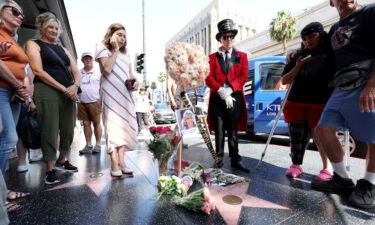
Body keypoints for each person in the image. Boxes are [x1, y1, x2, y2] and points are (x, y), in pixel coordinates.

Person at [311, 0, 375, 209]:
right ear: (331, 2)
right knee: (323, 130)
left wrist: (372, 85)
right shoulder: (334, 29)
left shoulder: (369, 11)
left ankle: (369, 185)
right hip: (341, 86)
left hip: (367, 81)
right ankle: (342, 179)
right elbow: (322, 54)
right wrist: (294, 54)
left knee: (373, 138)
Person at [25, 12, 79, 184]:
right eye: (50, 27)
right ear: (41, 27)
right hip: (46, 90)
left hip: (68, 93)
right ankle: (49, 169)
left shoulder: (62, 49)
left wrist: (75, 86)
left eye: (56, 28)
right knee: (50, 129)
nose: (54, 31)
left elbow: (75, 71)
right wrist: (65, 88)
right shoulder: (33, 44)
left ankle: (62, 160)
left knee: (69, 129)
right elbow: (38, 70)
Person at [281, 22, 334, 181]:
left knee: (320, 135)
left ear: (321, 35)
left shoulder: (330, 53)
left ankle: (327, 167)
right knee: (297, 135)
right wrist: (297, 66)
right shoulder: (298, 55)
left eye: (312, 36)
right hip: (296, 100)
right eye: (304, 38)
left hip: (319, 101)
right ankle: (296, 164)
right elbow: (284, 80)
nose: (308, 41)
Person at [205, 19, 249, 173]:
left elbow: (243, 76)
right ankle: (218, 160)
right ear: (220, 39)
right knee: (219, 129)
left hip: (234, 98)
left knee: (233, 129)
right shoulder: (211, 58)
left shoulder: (241, 56)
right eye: (225, 37)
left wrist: (230, 89)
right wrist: (221, 90)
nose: (229, 40)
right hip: (218, 98)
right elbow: (208, 77)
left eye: (231, 36)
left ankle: (236, 160)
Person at [0, 0, 31, 213]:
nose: (20, 15)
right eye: (15, 10)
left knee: (7, 139)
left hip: (13, 94)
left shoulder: (14, 38)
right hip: (3, 90)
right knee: (9, 138)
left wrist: (25, 88)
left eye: (22, 13)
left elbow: (24, 68)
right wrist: (18, 84)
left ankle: (2, 190)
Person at [95, 23, 138, 177]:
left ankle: (122, 162)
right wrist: (115, 50)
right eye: (119, 34)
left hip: (125, 94)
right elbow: (106, 70)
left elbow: (131, 74)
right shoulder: (101, 48)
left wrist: (135, 82)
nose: (122, 38)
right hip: (110, 93)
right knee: (113, 128)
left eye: (124, 36)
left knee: (124, 127)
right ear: (111, 35)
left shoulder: (126, 55)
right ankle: (114, 163)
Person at [77, 52, 103, 154]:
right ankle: (88, 145)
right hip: (82, 102)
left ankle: (98, 144)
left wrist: (100, 99)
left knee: (96, 123)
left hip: (94, 101)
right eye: (85, 58)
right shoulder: (78, 72)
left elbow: (103, 86)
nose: (88, 60)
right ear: (82, 60)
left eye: (89, 58)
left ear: (92, 60)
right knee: (86, 123)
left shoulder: (98, 72)